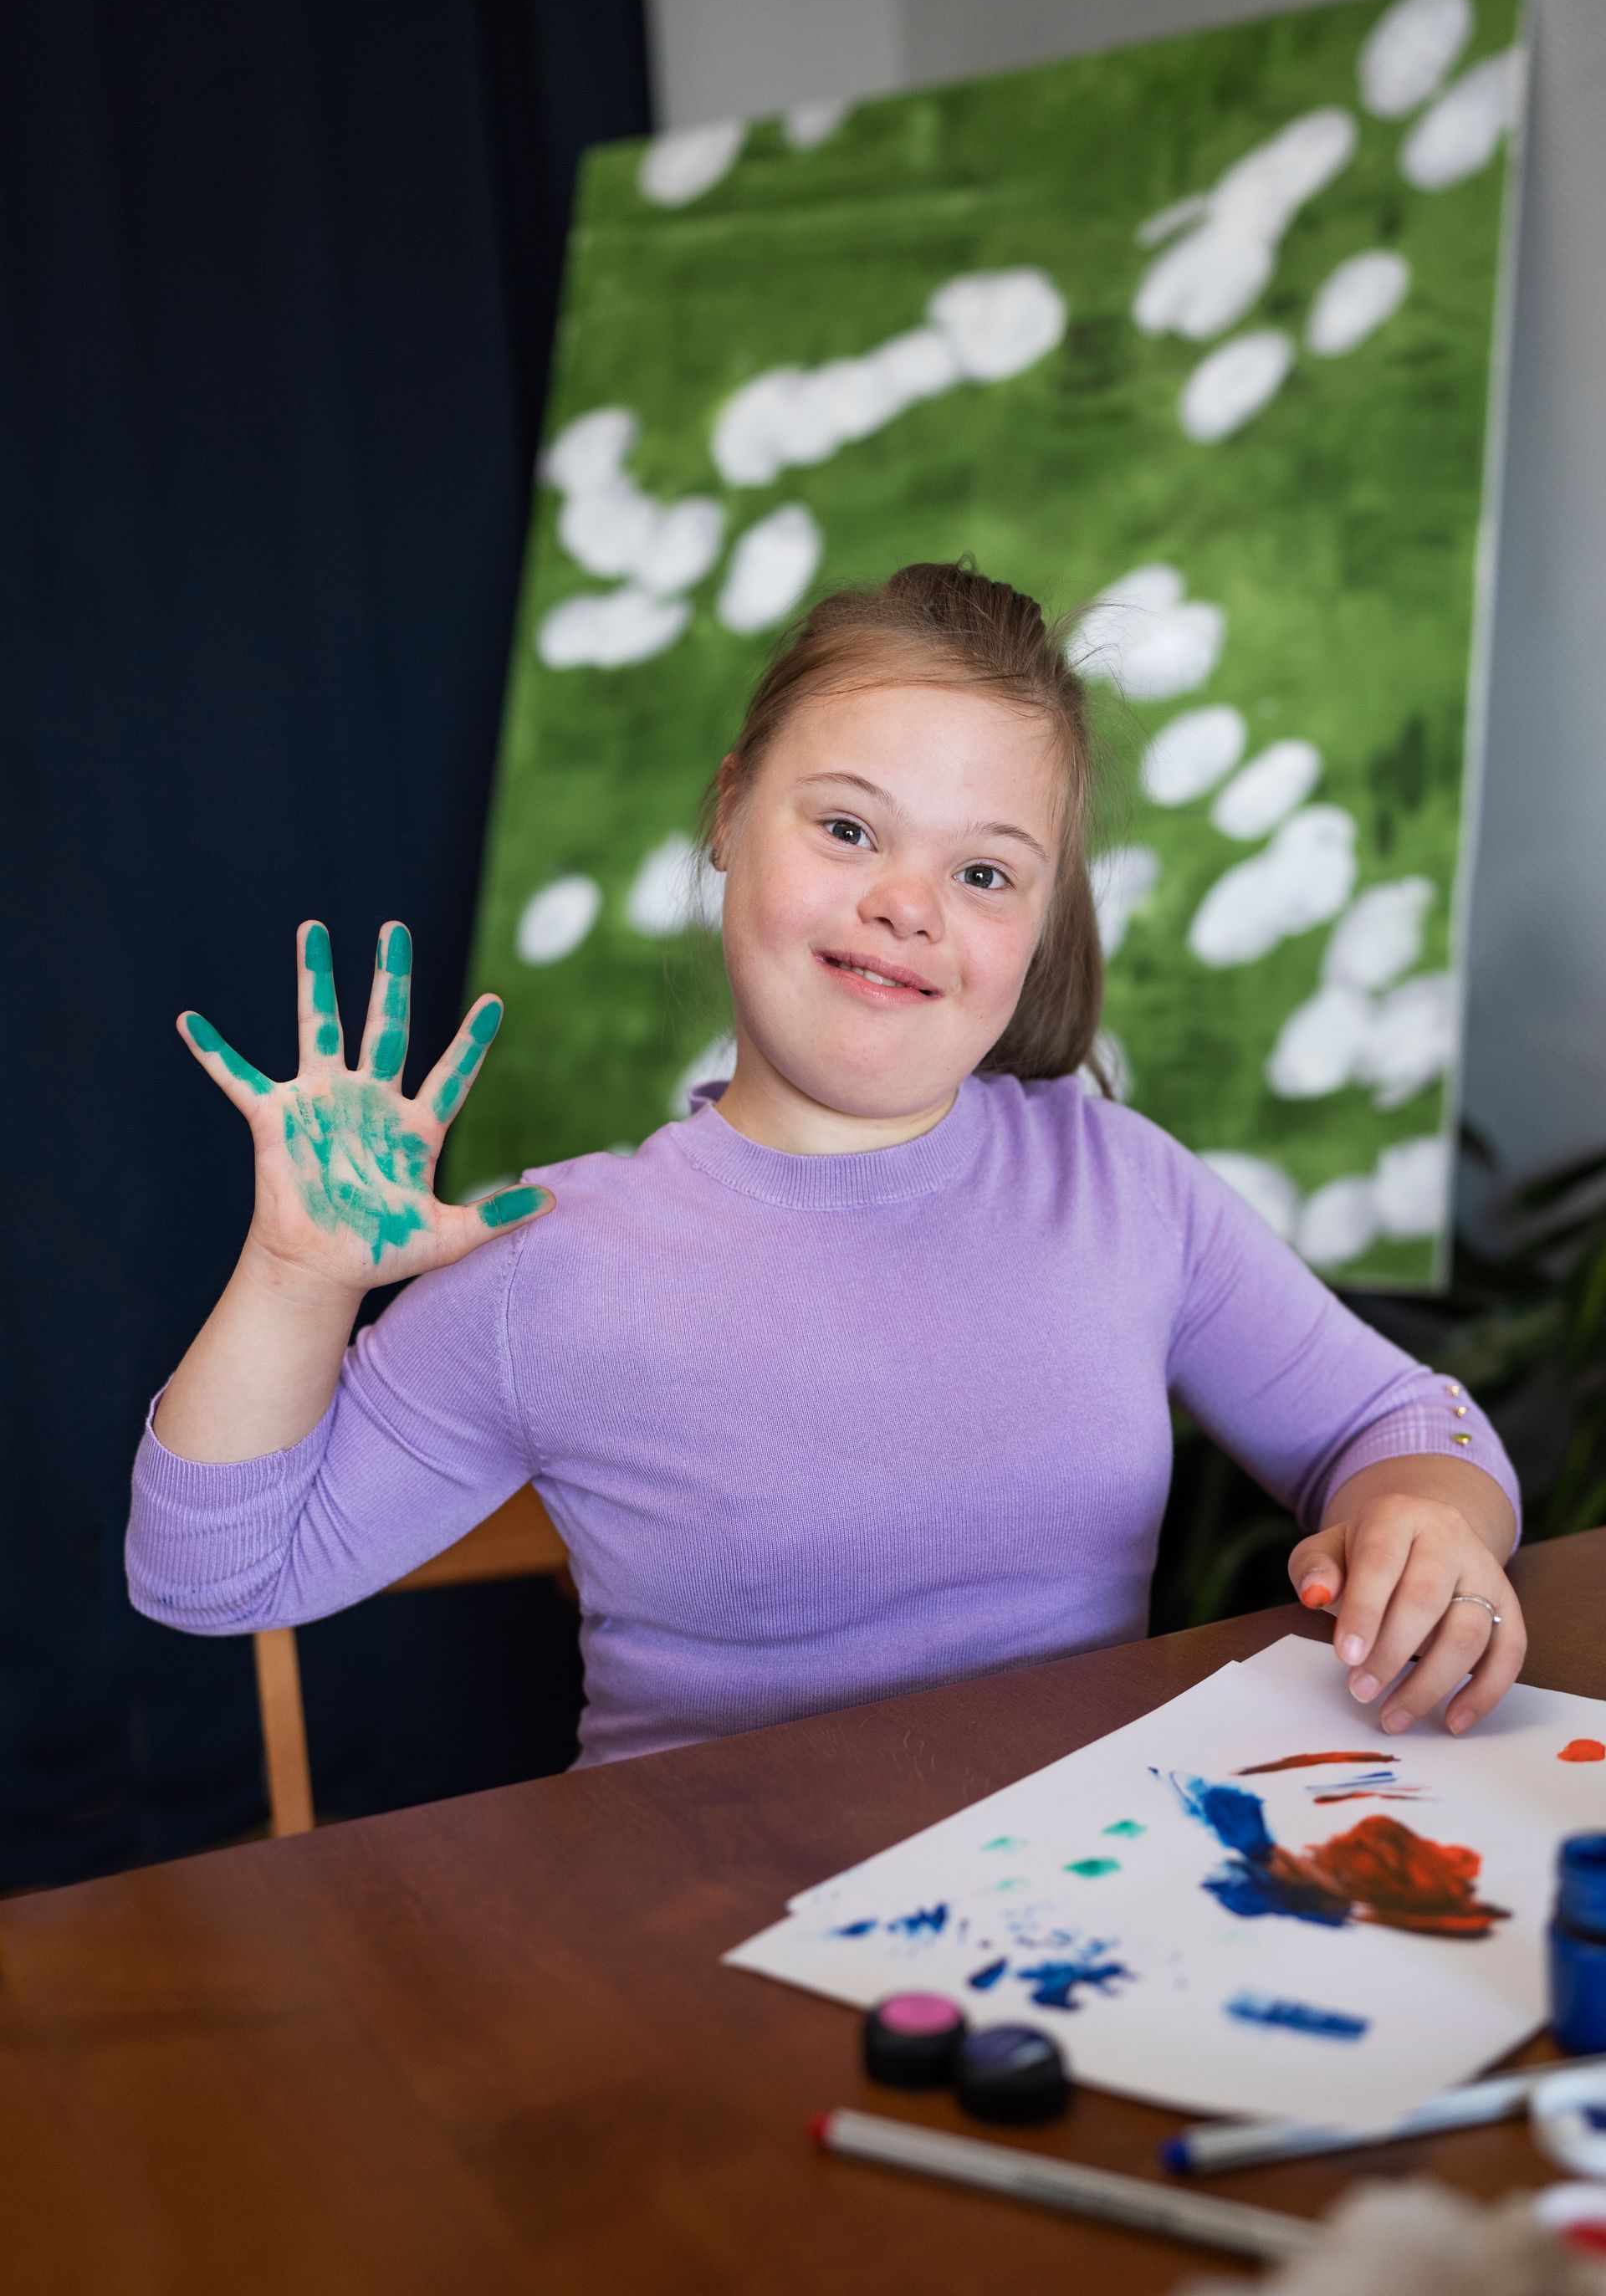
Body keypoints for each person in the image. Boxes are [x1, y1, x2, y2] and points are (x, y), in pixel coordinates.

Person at [127, 562, 1523, 1768]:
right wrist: (295, 1274)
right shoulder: (547, 1257)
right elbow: (212, 1575)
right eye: (849, 828)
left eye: (985, 873)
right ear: (729, 818)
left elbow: (1403, 1421)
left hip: (1072, 1932)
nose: (906, 903)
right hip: (698, 1961)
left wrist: (1429, 1513)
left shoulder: (1120, 1185)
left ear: (1040, 923)